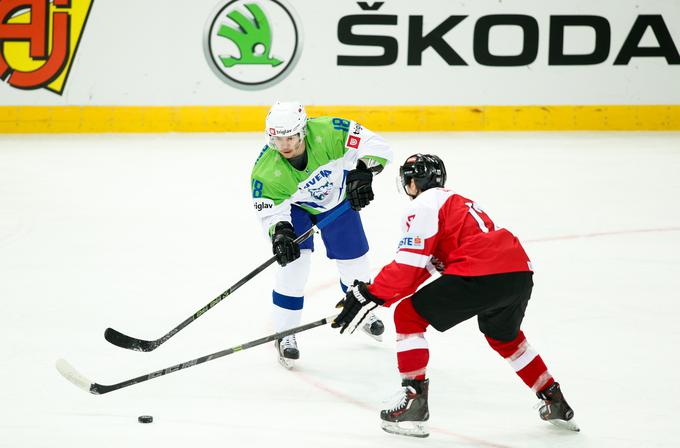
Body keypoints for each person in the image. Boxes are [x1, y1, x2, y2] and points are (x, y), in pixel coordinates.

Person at [332, 154, 578, 438]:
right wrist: (375, 296)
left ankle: (414, 403)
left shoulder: (424, 205)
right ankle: (553, 398)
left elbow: (408, 266)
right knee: (504, 337)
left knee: (408, 315)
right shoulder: (458, 202)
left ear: (412, 182)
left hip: (480, 271)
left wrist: (370, 293)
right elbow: (423, 269)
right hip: (518, 272)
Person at [251, 101, 393, 369]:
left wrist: (363, 172)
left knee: (356, 262)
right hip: (296, 208)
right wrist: (280, 232)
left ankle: (359, 310)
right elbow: (271, 210)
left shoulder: (330, 131)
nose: (285, 145)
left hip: (338, 198)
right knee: (295, 266)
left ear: (303, 130)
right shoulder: (266, 171)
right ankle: (284, 333)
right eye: (278, 138)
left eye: (291, 136)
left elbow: (377, 145)